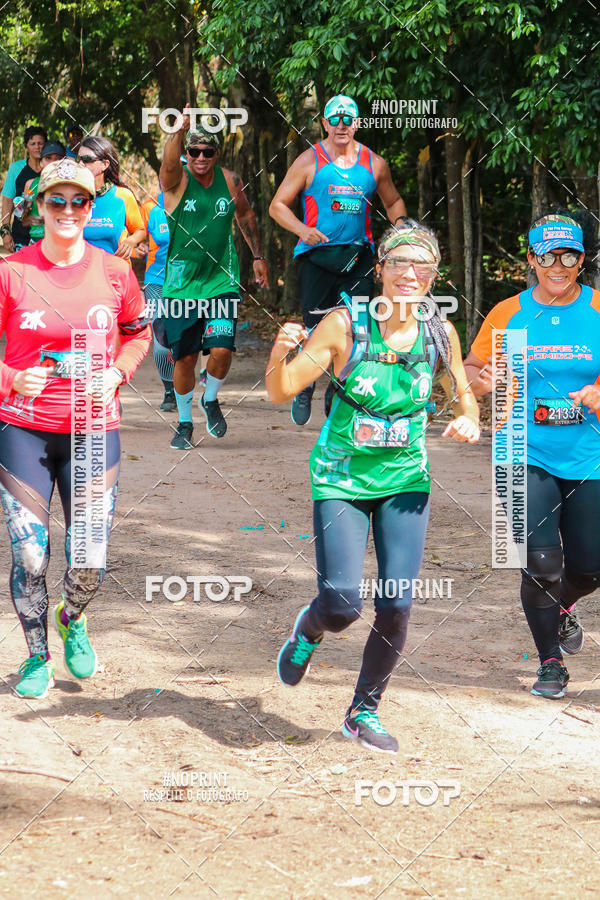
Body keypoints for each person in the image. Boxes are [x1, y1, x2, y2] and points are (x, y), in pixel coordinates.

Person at [266, 221, 480, 752]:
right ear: (380, 267)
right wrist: (279, 351)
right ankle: (309, 629)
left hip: (405, 478)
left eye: (422, 265)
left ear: (434, 274)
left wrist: (469, 418)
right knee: (341, 603)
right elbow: (279, 390)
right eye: (399, 263)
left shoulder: (439, 331)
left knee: (398, 602)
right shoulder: (345, 326)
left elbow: (460, 392)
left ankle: (363, 711)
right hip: (340, 476)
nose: (410, 274)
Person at [0, 158, 151, 699]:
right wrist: (12, 378)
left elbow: (138, 332)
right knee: (31, 553)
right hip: (25, 431)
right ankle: (37, 657)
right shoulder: (12, 270)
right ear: (38, 207)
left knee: (88, 561)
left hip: (92, 429)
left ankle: (74, 617)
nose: (67, 211)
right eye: (55, 201)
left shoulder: (115, 271)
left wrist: (116, 371)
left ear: (92, 207)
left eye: (78, 201)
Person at [464, 210, 600, 699]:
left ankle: (563, 605)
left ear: (581, 260)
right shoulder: (509, 314)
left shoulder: (598, 311)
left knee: (589, 568)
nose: (558, 265)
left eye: (569, 255)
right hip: (521, 449)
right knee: (541, 561)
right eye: (548, 255)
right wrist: (483, 382)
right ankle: (549, 663)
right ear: (532, 259)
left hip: (589, 454)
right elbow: (473, 368)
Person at [269, 94, 407, 426]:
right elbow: (277, 206)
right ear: (325, 123)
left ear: (358, 123)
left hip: (358, 259)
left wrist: (401, 233)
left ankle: (338, 389)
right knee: (316, 327)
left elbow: (394, 202)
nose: (342, 125)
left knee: (356, 329)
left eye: (348, 119)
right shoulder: (308, 161)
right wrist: (303, 229)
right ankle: (304, 385)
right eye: (335, 119)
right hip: (316, 258)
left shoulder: (374, 163)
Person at [159, 110, 269, 448]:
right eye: (194, 152)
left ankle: (210, 398)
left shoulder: (231, 181)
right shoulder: (177, 182)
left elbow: (247, 214)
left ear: (216, 153)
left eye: (207, 152)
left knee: (221, 348)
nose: (201, 158)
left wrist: (258, 256)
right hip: (181, 286)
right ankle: (184, 422)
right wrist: (179, 131)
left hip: (221, 279)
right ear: (186, 154)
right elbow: (167, 165)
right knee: (186, 358)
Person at [77, 136, 145, 259]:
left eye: (87, 159)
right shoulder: (74, 198)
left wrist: (131, 241)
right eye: (79, 159)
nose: (81, 164)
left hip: (115, 273)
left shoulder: (123, 195)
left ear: (105, 164)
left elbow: (140, 231)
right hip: (82, 274)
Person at [139, 190, 175, 410]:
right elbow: (132, 232)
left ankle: (187, 388)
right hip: (157, 280)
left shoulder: (199, 203)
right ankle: (169, 390)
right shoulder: (150, 207)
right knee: (161, 337)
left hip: (191, 283)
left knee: (185, 338)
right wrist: (137, 245)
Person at [1, 125, 48, 252]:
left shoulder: (51, 170)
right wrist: (5, 232)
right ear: (26, 147)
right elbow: (7, 201)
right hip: (20, 236)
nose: (37, 147)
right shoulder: (16, 168)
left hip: (46, 237)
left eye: (40, 143)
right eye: (33, 143)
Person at [21, 140, 68, 241]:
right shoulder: (31, 184)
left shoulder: (70, 185)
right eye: (48, 158)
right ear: (41, 162)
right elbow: (22, 215)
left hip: (61, 239)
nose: (53, 163)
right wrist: (23, 206)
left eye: (58, 159)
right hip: (36, 238)